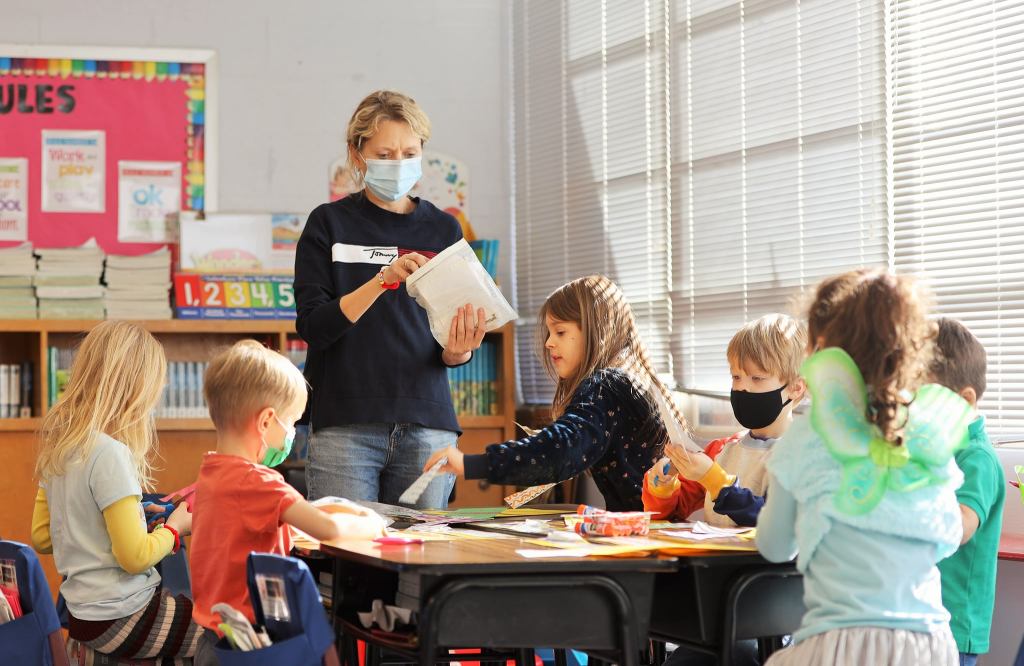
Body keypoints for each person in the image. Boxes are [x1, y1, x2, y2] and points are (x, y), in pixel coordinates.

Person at [756, 268, 971, 665]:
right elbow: (949, 532)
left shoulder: (811, 433)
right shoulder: (928, 434)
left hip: (841, 646)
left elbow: (774, 547)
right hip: (931, 648)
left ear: (822, 348)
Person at [294, 89, 484, 509]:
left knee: (423, 548)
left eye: (409, 153)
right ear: (357, 153)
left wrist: (459, 351)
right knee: (347, 546)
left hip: (428, 421)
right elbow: (313, 326)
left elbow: (449, 340)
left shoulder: (444, 230)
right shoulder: (328, 223)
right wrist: (382, 280)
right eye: (385, 154)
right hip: (345, 424)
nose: (398, 163)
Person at [190, 340, 387, 664]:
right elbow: (328, 529)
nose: (292, 434)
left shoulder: (212, 472)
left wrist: (331, 509)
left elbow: (266, 520)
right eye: (292, 423)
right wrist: (372, 523)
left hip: (213, 642)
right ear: (266, 421)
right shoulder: (259, 482)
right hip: (252, 648)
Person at [424, 275, 685, 511]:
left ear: (598, 330)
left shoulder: (607, 385)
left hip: (651, 536)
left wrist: (470, 463)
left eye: (560, 332)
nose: (549, 342)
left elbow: (561, 449)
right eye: (550, 333)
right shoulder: (628, 380)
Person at [31, 321, 203, 660]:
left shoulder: (60, 449)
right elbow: (134, 557)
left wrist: (134, 519)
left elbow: (42, 537)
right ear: (136, 390)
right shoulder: (110, 453)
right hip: (124, 615)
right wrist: (174, 529)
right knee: (221, 631)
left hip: (82, 616)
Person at [644, 314, 806, 527]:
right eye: (736, 377)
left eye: (757, 378)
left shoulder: (804, 455)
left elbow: (775, 519)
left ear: (795, 388)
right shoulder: (721, 450)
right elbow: (668, 514)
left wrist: (715, 480)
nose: (742, 387)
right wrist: (663, 486)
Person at [931, 318, 1005, 666]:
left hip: (955, 624)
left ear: (964, 399)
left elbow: (961, 528)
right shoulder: (936, 447)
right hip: (924, 617)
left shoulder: (977, 458)